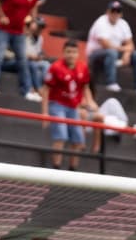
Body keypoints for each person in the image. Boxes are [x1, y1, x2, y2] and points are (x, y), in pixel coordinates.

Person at [41, 40, 96, 171]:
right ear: (63, 53)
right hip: (57, 105)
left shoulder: (83, 67)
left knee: (78, 139)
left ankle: (73, 169)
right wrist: (44, 112)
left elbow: (85, 87)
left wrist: (90, 101)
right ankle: (56, 168)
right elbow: (46, 90)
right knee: (61, 135)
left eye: (74, 52)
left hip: (73, 107)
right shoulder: (55, 67)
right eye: (68, 52)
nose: (71, 55)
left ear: (78, 54)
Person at [85, 1, 136, 94]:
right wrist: (124, 49)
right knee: (111, 52)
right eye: (113, 11)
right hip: (96, 54)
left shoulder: (123, 24)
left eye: (118, 11)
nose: (115, 14)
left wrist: (127, 53)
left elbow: (131, 44)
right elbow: (105, 44)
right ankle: (110, 83)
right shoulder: (101, 22)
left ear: (121, 14)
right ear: (107, 12)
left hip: (114, 54)